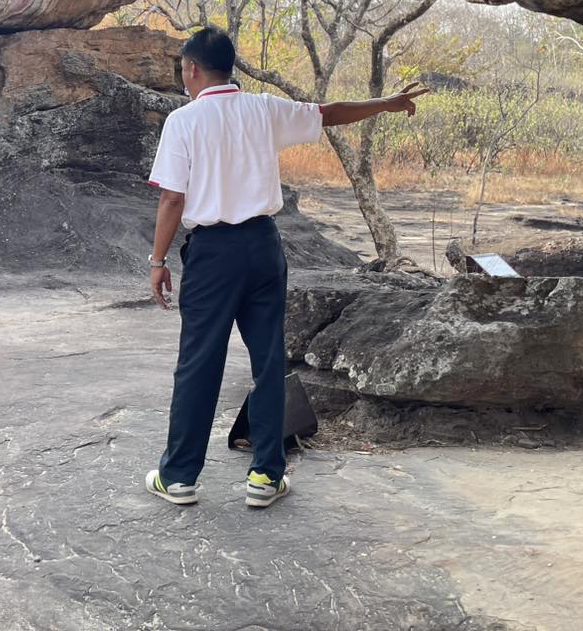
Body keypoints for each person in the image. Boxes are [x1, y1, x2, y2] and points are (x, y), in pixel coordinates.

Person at [143, 27, 428, 509]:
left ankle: (179, 477)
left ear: (192, 68)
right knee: (270, 360)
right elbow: (330, 114)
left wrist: (157, 260)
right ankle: (265, 475)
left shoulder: (183, 121)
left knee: (199, 362)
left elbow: (173, 197)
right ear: (227, 66)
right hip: (262, 246)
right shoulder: (264, 108)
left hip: (212, 253)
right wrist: (387, 103)